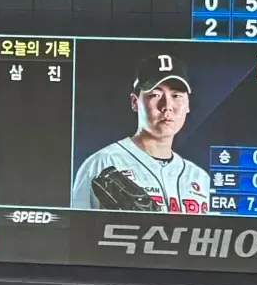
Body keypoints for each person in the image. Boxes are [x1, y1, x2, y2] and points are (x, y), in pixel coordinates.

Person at [71, 54, 211, 213]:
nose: (167, 106)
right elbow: (76, 232)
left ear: (188, 105)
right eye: (155, 95)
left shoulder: (200, 177)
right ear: (134, 102)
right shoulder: (103, 163)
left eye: (176, 95)